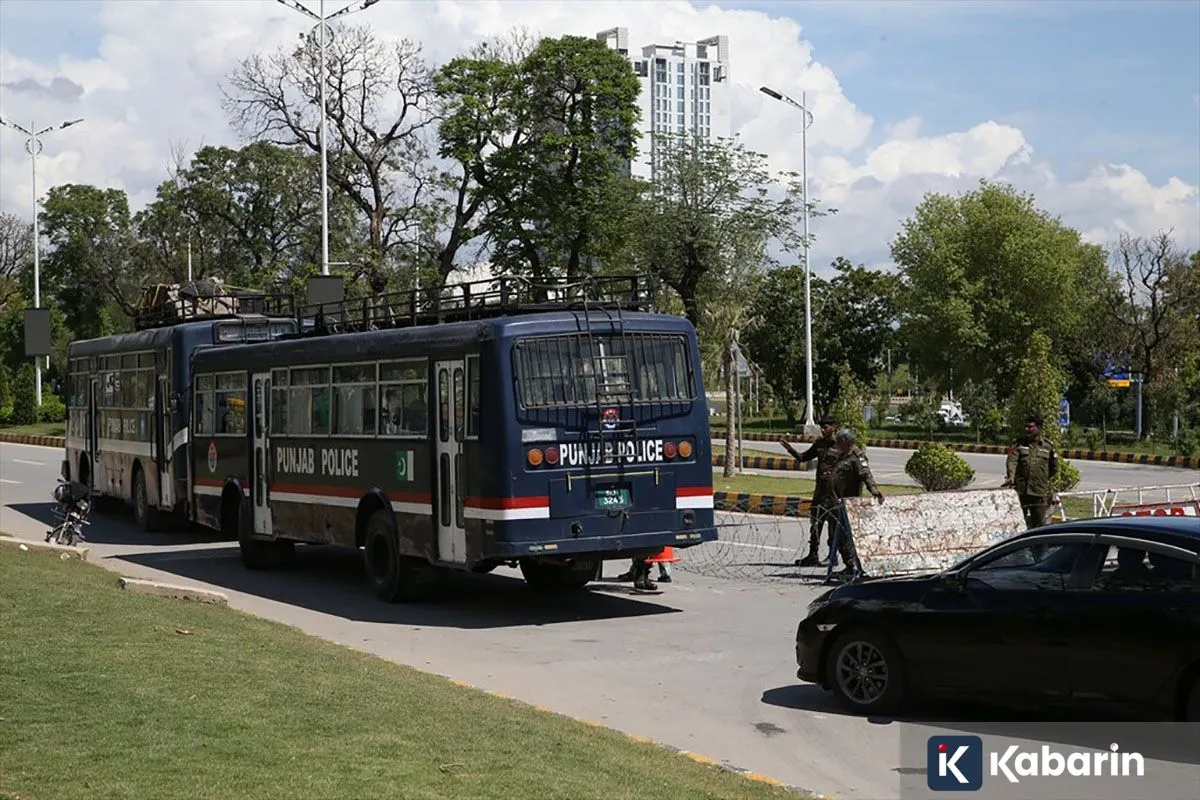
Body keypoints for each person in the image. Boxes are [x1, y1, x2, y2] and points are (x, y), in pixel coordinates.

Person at [822, 428, 885, 583]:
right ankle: (848, 565)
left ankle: (856, 565)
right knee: (836, 538)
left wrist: (874, 490)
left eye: (839, 442)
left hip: (849, 504)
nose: (837, 444)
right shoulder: (841, 455)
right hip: (835, 503)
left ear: (846, 442)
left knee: (848, 537)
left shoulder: (857, 457)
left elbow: (866, 475)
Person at [781, 415, 841, 567]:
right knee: (815, 525)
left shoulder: (841, 446)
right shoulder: (819, 444)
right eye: (821, 427)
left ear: (834, 427)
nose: (822, 430)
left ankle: (833, 555)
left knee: (834, 527)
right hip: (820, 492)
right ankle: (813, 555)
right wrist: (790, 449)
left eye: (826, 427)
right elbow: (803, 457)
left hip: (834, 494)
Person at [1002, 415, 1058, 529]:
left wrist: (1042, 479)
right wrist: (1011, 476)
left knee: (1039, 525)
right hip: (1021, 491)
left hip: (1039, 492)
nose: (1027, 429)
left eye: (1030, 427)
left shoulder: (1048, 446)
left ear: (1039, 428)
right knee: (1017, 523)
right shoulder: (1018, 444)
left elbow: (1054, 467)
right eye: (1026, 427)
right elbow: (1012, 461)